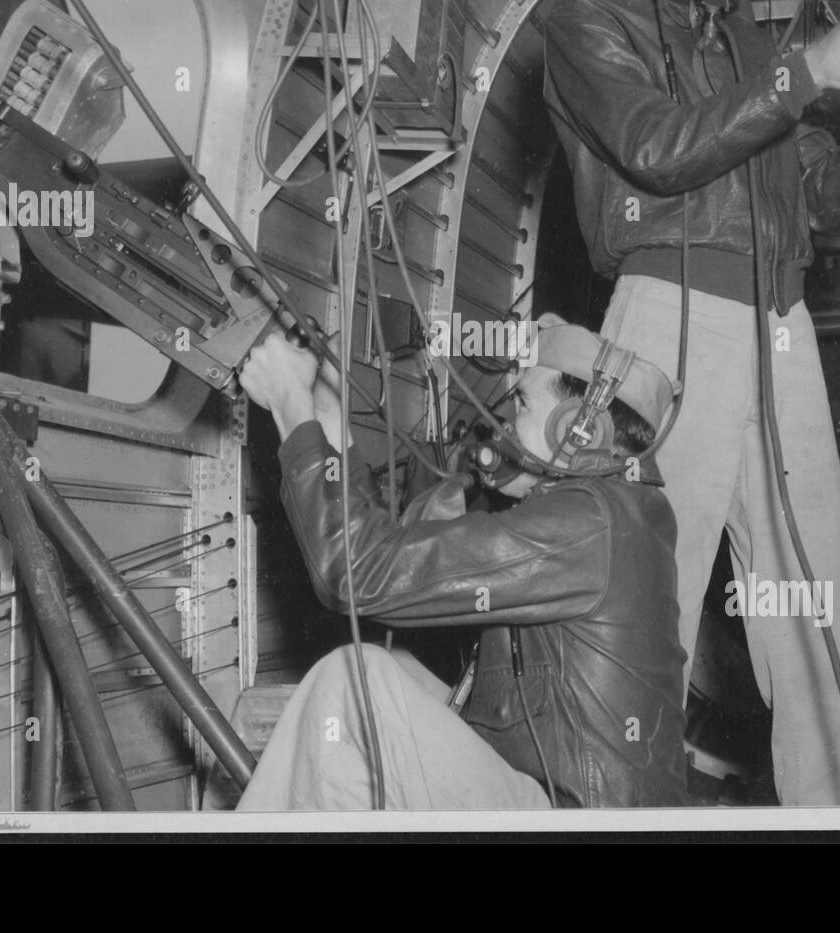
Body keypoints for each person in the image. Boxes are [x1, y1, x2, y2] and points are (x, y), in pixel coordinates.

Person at [543, 0, 840, 805]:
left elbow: (814, 198)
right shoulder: (591, 15)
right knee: (647, 606)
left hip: (781, 322)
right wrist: (805, 73)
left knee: (815, 615)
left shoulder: (753, 45)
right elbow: (658, 146)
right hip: (672, 307)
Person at [235, 316, 688, 810]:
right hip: (564, 803)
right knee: (394, 670)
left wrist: (289, 405)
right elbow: (398, 553)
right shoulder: (615, 512)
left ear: (579, 429)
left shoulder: (587, 523)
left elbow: (354, 574)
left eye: (522, 403)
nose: (505, 424)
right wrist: (327, 416)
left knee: (354, 682)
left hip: (578, 822)